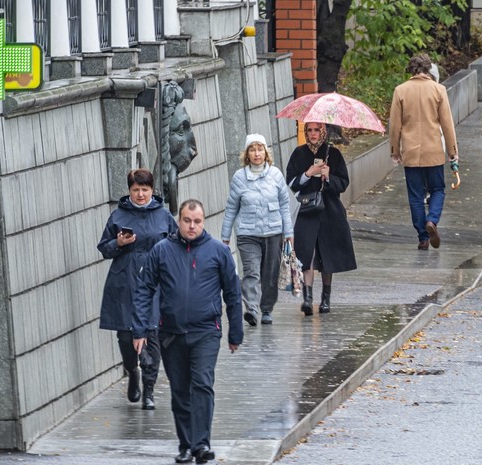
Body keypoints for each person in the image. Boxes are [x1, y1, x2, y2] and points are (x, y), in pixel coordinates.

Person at [132, 199, 243, 464]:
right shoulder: (161, 251)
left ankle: (201, 444)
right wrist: (139, 330)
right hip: (171, 333)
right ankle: (185, 445)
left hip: (206, 331)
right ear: (178, 220)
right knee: (180, 390)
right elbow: (144, 289)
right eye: (186, 221)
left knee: (202, 384)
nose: (192, 226)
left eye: (197, 221)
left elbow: (232, 293)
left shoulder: (218, 251)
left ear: (203, 222)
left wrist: (235, 332)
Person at [97, 168, 177, 410]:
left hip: (155, 282)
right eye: (136, 190)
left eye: (145, 190)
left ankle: (149, 391)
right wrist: (119, 243)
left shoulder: (163, 216)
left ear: (152, 190)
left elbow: (178, 246)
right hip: (125, 280)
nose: (140, 194)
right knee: (125, 335)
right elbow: (104, 248)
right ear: (129, 190)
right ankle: (132, 371)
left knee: (153, 334)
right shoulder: (118, 215)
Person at [221, 134, 294, 326]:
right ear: (246, 154)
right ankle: (251, 308)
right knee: (251, 272)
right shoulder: (239, 177)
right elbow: (231, 208)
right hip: (247, 234)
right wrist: (225, 237)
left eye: (260, 149)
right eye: (252, 150)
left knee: (270, 273)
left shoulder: (276, 175)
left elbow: (285, 205)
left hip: (273, 232)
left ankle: (267, 309)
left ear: (266, 152)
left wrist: (289, 233)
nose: (256, 154)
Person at [389, 53, 459, 251]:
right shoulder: (439, 90)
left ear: (412, 70)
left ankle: (422, 237)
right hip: (434, 150)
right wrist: (453, 151)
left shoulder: (400, 91)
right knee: (437, 189)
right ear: (428, 69)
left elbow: (395, 125)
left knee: (415, 195)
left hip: (410, 152)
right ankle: (433, 220)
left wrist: (395, 150)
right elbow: (447, 124)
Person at [285, 122, 357, 316]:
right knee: (306, 253)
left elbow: (343, 183)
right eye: (309, 130)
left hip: (330, 211)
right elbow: (291, 183)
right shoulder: (299, 153)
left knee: (327, 254)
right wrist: (308, 174)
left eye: (317, 130)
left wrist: (328, 176)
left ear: (323, 132)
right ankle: (308, 299)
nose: (313, 134)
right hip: (307, 210)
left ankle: (325, 299)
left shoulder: (333, 154)